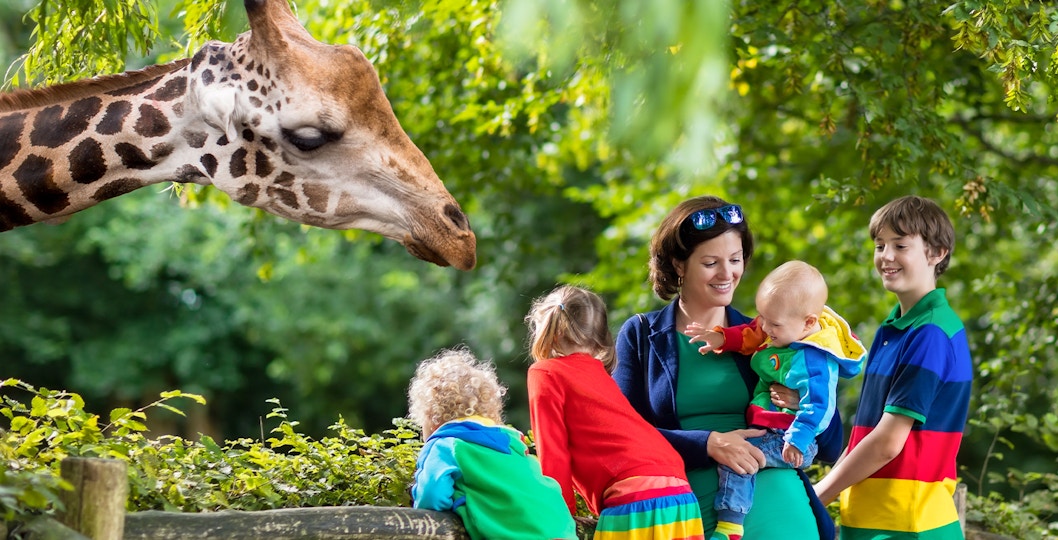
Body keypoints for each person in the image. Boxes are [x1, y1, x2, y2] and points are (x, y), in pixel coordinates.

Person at [612, 195, 842, 540]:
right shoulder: (642, 335)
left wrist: (801, 402)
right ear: (678, 264)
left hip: (783, 511)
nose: (727, 273)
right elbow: (623, 435)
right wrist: (708, 443)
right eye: (710, 263)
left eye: (735, 260)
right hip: (690, 514)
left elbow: (829, 446)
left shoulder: (770, 336)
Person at [814, 195, 973, 539]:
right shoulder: (894, 329)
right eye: (880, 245)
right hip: (872, 521)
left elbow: (888, 442)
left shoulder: (932, 333)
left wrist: (816, 496)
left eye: (900, 245)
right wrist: (818, 495)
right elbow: (866, 437)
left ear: (937, 252)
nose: (886, 256)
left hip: (908, 526)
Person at [685, 260, 865, 540]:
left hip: (791, 439)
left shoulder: (814, 359)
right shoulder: (780, 324)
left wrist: (798, 438)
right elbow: (750, 335)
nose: (765, 327)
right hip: (772, 431)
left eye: (773, 323)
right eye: (762, 316)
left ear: (808, 322)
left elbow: (820, 408)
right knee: (740, 455)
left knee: (741, 458)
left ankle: (730, 525)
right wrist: (721, 338)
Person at [525, 284, 706, 540]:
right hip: (680, 494)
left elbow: (553, 453)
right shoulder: (600, 374)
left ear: (549, 331)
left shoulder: (544, 373)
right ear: (599, 335)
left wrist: (559, 521)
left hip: (634, 497)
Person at [406, 347, 577, 540]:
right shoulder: (512, 444)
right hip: (561, 530)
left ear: (430, 416)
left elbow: (431, 497)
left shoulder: (445, 445)